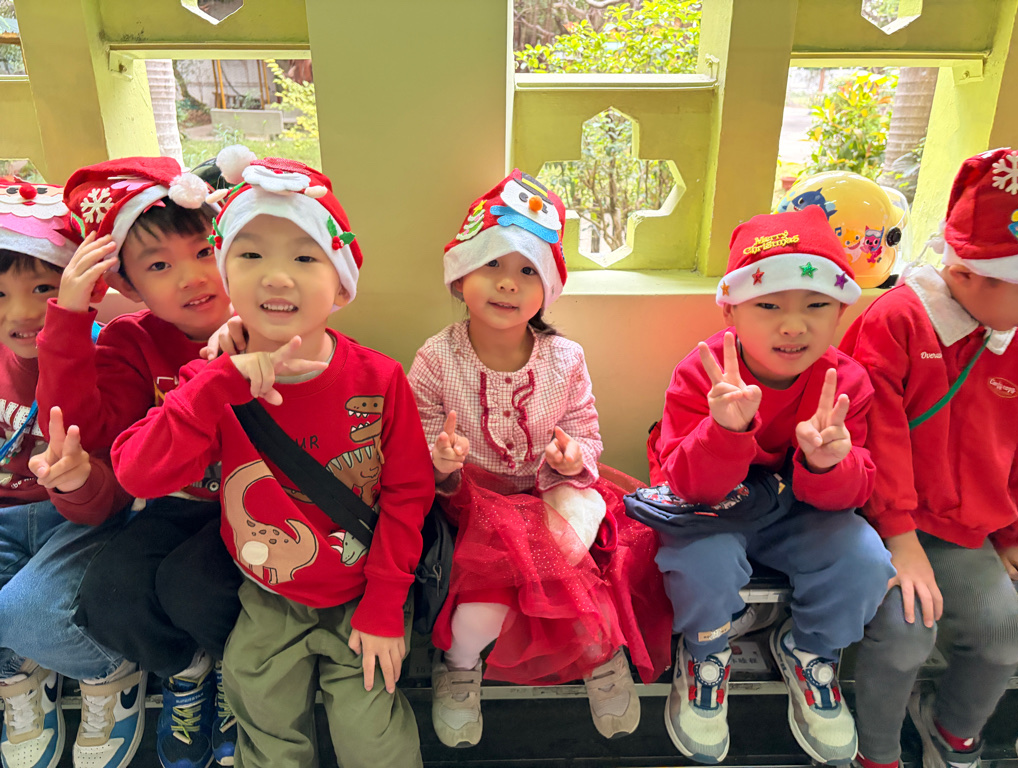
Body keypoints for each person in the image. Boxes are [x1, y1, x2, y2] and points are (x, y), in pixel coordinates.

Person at [110, 149, 435, 768]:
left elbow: (408, 493)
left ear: (341, 285)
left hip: (362, 595)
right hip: (264, 599)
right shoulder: (211, 380)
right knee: (264, 733)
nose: (277, 278)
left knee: (373, 742)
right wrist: (216, 383)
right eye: (251, 255)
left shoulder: (379, 379)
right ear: (226, 274)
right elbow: (135, 472)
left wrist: (385, 604)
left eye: (305, 257)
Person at [408, 170, 672, 749]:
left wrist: (573, 457)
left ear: (546, 288)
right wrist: (441, 459)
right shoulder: (435, 358)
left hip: (551, 493)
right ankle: (458, 667)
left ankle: (602, 658)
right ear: (461, 276)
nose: (508, 283)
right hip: (473, 506)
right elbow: (419, 441)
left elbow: (585, 431)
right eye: (492, 265)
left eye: (528, 270)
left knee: (584, 586)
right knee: (479, 615)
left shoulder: (565, 358)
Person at [649, 206, 894, 765]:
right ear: (731, 308)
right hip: (713, 510)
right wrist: (725, 432)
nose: (793, 325)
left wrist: (829, 464)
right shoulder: (704, 372)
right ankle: (706, 652)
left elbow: (855, 496)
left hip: (800, 513)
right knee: (701, 561)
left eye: (816, 305)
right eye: (768, 305)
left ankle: (811, 650)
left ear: (840, 311)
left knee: (865, 559)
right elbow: (685, 485)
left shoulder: (846, 381)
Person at [36, 157, 240, 768]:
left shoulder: (266, 318)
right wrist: (70, 318)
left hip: (259, 507)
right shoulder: (132, 340)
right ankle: (188, 672)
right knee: (109, 595)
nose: (193, 277)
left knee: (196, 588)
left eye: (205, 251)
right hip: (175, 506)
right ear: (126, 286)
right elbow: (84, 432)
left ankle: (236, 676)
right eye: (159, 266)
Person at [840, 147, 1018, 768]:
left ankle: (950, 730)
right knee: (905, 635)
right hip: (874, 522)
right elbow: (875, 434)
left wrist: (1010, 532)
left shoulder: (1015, 337)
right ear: (971, 274)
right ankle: (877, 753)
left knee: (1004, 635)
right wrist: (899, 537)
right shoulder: (897, 320)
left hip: (961, 529)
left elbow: (1015, 446)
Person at [0, 179, 137, 768]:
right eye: (1, 293)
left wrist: (79, 479)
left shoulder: (109, 359)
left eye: (44, 289)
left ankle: (108, 671)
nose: (23, 313)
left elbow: (116, 495)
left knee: (25, 613)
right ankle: (17, 668)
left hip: (82, 518)